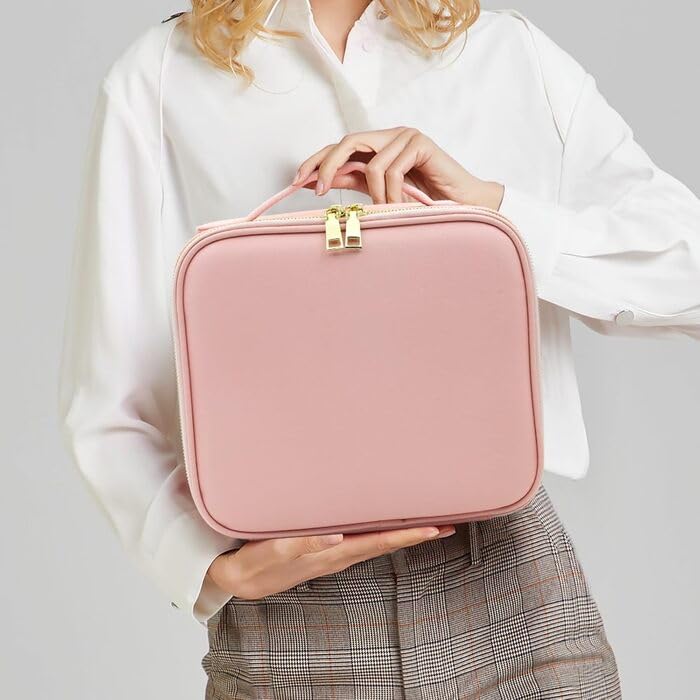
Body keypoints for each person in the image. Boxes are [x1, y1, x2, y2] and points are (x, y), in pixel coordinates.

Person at [57, 1, 700, 698]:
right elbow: (109, 387)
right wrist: (204, 565)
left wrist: (492, 209)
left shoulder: (507, 54)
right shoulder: (161, 77)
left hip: (510, 577)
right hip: (294, 604)